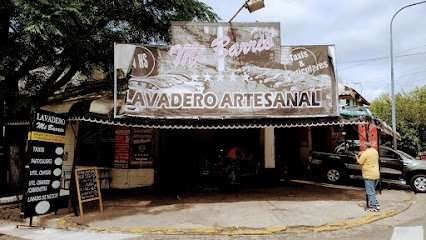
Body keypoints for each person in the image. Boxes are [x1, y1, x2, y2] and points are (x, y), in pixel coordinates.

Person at [356, 143, 380, 212]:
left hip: (369, 175)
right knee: (373, 191)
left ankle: (374, 207)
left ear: (365, 147)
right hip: (376, 174)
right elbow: (370, 156)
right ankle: (376, 204)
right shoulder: (375, 151)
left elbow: (360, 162)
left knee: (370, 191)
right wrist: (363, 153)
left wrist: (357, 157)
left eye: (363, 147)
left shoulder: (366, 153)